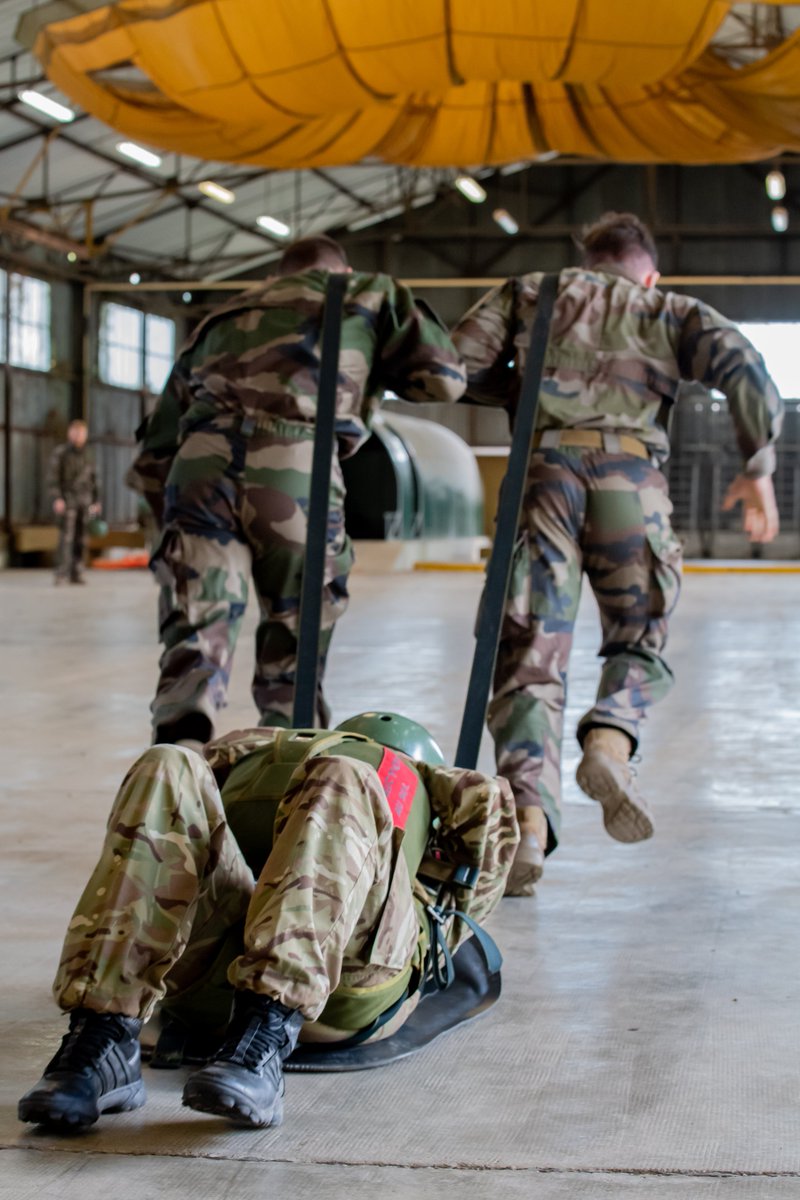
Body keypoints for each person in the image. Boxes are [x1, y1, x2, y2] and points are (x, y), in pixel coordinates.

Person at [451, 211, 783, 895]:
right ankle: (610, 737)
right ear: (647, 271)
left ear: (589, 260)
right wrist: (758, 463)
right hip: (631, 484)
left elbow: (453, 365)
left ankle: (529, 825)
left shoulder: (530, 291)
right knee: (639, 632)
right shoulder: (669, 309)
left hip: (542, 478)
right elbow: (745, 367)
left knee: (530, 651)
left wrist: (520, 385)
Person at [18, 713, 517, 1132]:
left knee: (344, 777)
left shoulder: (415, 797)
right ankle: (104, 1033)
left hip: (347, 986)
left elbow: (467, 906)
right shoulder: (273, 762)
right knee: (167, 764)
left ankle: (267, 1033)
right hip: (212, 974)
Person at [127, 236, 466, 747]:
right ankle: (286, 767)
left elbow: (154, 453)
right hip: (294, 465)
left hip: (197, 467)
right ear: (342, 268)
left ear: (278, 274)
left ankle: (179, 749)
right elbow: (445, 381)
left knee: (197, 624)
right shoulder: (368, 293)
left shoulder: (222, 317)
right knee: (296, 638)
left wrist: (176, 525)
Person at [47, 418, 101, 585]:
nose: (78, 436)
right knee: (66, 536)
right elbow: (53, 477)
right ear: (69, 433)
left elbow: (96, 480)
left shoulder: (89, 454)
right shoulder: (61, 453)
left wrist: (97, 502)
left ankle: (77, 572)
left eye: (81, 433)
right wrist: (57, 498)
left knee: (83, 536)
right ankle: (61, 573)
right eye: (75, 432)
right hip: (67, 501)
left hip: (87, 504)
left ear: (85, 435)